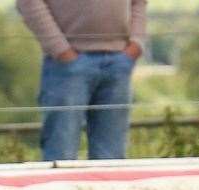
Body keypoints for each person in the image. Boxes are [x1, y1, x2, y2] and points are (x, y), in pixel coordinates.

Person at [16, 0, 147, 161]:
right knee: (61, 155)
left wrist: (136, 45)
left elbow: (139, 3)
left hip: (118, 62)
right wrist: (61, 50)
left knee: (112, 161)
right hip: (67, 65)